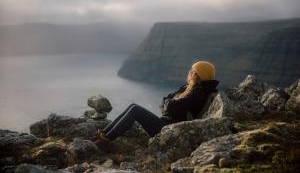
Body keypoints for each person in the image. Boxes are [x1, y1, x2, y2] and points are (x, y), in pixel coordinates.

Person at [91, 60, 219, 150]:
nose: (189, 72)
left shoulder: (198, 94)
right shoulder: (187, 88)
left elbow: (169, 106)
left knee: (135, 110)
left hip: (169, 129)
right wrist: (168, 104)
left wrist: (168, 104)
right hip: (165, 122)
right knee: (133, 106)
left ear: (197, 75)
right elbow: (166, 101)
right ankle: (102, 135)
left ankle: (106, 140)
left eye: (192, 70)